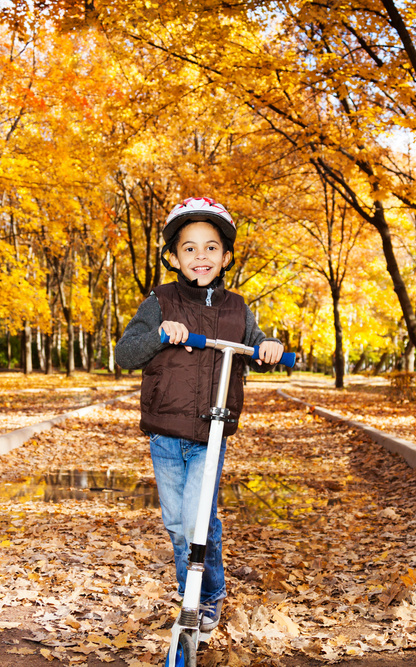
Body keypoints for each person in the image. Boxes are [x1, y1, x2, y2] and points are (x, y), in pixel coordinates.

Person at [115, 196, 284, 633]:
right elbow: (125, 354)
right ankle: (190, 590)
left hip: (212, 431)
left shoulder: (238, 309)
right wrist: (159, 334)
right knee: (177, 522)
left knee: (198, 519)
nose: (201, 256)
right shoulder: (161, 301)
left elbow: (260, 342)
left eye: (211, 247)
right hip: (166, 432)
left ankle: (205, 598)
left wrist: (269, 347)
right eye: (189, 248)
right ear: (173, 257)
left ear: (226, 256)